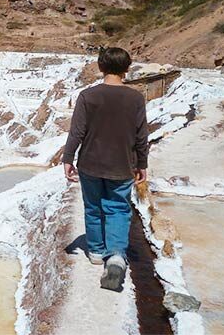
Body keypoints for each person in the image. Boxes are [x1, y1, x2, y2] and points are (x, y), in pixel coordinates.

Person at [62, 47, 149, 292]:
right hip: (122, 164)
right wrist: (142, 163)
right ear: (127, 68)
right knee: (118, 209)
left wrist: (68, 158)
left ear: (101, 67)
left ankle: (97, 252)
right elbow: (141, 135)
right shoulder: (135, 98)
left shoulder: (88, 96)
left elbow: (77, 131)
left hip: (90, 163)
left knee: (93, 207)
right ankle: (116, 256)